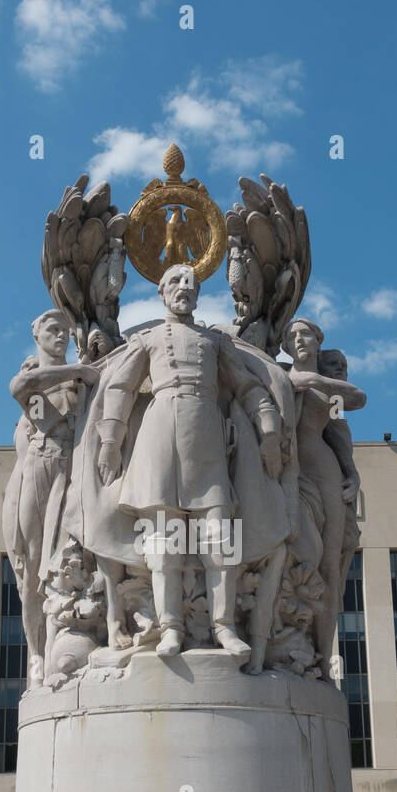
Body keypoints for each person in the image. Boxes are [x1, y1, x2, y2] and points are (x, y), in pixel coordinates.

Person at [95, 264, 282, 657]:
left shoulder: (215, 342)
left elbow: (248, 386)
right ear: (162, 293)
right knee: (164, 542)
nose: (185, 288)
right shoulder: (147, 340)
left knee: (218, 536)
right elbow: (121, 387)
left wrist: (268, 433)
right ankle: (171, 628)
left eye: (192, 284)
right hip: (159, 433)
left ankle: (224, 626)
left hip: (207, 436)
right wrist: (110, 440)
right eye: (177, 283)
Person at [2, 310, 98, 682]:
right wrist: (77, 370)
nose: (61, 336)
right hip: (40, 468)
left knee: (65, 564)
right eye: (53, 330)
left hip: (72, 472)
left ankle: (62, 640)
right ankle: (36, 652)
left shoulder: (78, 382)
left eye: (65, 331)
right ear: (36, 334)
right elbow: (20, 388)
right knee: (30, 571)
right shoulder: (39, 379)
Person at [282, 318, 366, 679]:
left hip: (322, 469)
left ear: (318, 341)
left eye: (306, 335)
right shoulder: (277, 372)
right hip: (283, 469)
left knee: (329, 565)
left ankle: (323, 656)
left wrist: (352, 473)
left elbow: (345, 417)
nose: (299, 340)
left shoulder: (325, 387)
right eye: (292, 336)